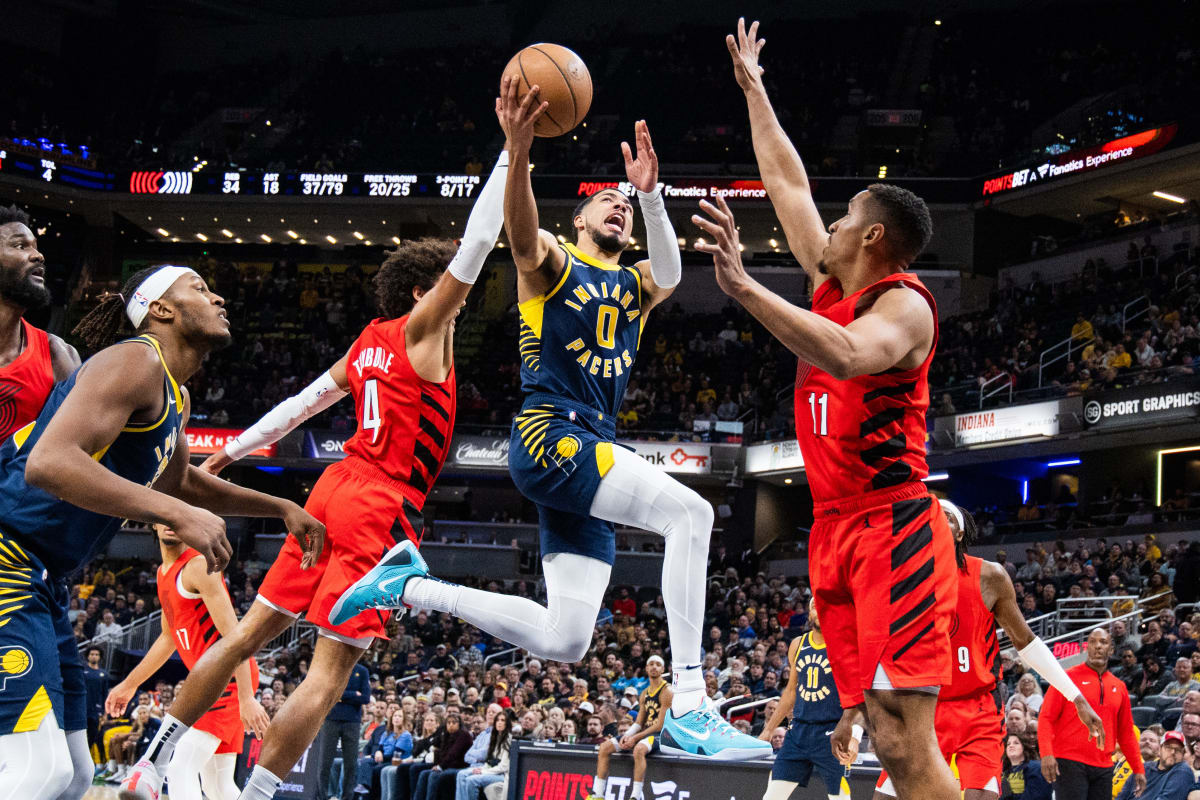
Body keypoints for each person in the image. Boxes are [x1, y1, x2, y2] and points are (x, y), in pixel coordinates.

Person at [333, 76, 767, 761]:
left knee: (567, 639)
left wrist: (651, 195)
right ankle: (689, 700)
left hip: (587, 446)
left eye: (623, 205)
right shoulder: (554, 266)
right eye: (605, 201)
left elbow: (674, 273)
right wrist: (519, 151)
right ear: (578, 221)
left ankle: (410, 585)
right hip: (550, 433)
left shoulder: (635, 288)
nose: (616, 208)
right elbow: (521, 230)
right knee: (693, 516)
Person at [125, 100, 513, 800]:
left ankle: (148, 766)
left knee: (242, 640)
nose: (465, 295)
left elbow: (301, 404)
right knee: (327, 674)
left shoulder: (368, 340)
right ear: (426, 293)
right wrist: (512, 150)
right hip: (380, 503)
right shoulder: (421, 333)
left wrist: (231, 452)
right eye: (451, 289)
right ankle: (258, 796)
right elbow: (479, 246)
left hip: (332, 490)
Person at [702, 17, 957, 800]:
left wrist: (744, 287)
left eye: (846, 218)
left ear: (872, 237)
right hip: (835, 525)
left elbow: (844, 357)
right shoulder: (835, 288)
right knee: (879, 733)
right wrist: (755, 89)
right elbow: (788, 183)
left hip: (892, 523)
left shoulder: (902, 307)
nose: (830, 225)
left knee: (905, 744)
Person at [0, 263, 323, 800]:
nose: (217, 297)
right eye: (199, 287)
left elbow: (180, 485)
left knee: (78, 775)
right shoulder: (134, 359)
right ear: (161, 309)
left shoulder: (176, 396)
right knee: (41, 771)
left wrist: (280, 505)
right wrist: (176, 515)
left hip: (42, 576)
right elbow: (49, 464)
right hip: (8, 554)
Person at [872, 502, 1104, 800]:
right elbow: (880, 649)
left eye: (944, 518)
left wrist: (1076, 697)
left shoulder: (989, 576)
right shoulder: (903, 580)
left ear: (959, 533)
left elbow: (1027, 643)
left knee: (981, 796)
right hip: (922, 707)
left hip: (977, 708)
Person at [103, 523, 269, 800]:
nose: (170, 524)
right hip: (209, 682)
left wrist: (246, 696)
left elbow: (236, 636)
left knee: (180, 767)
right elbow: (168, 640)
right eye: (164, 517)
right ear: (153, 523)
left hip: (227, 679)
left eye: (177, 517)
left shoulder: (197, 565)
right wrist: (128, 684)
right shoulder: (163, 572)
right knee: (217, 785)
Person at [756, 599, 853, 800]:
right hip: (798, 733)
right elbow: (791, 692)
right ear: (809, 613)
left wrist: (852, 732)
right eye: (814, 606)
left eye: (824, 606)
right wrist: (768, 730)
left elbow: (855, 694)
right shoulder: (797, 644)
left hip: (831, 732)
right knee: (771, 797)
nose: (819, 611)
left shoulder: (843, 645)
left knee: (840, 798)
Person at [1038, 628, 1145, 800]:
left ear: (1111, 649)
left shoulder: (1120, 687)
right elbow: (1046, 717)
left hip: (1104, 766)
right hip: (1069, 761)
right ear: (1087, 648)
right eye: (1093, 642)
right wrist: (1046, 754)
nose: (1097, 646)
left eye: (1103, 642)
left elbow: (1126, 733)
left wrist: (1138, 768)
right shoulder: (1066, 677)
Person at [588, 656, 672, 800]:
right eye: (651, 664)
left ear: (663, 669)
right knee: (604, 748)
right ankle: (598, 794)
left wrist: (634, 738)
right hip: (646, 733)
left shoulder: (667, 691)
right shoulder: (645, 693)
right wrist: (627, 735)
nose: (654, 667)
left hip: (663, 734)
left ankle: (636, 796)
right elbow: (639, 721)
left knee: (639, 749)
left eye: (658, 665)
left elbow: (660, 724)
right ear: (646, 668)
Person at [321, 652, 372, 800]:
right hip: (331, 719)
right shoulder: (333, 668)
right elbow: (328, 693)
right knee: (324, 763)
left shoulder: (362, 671)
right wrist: (352, 694)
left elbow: (365, 698)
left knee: (351, 764)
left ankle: (347, 797)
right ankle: (321, 797)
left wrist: (342, 696)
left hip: (352, 722)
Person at [455, 710, 512, 800]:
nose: (499, 723)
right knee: (462, 774)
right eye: (497, 720)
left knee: (471, 780)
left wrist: (483, 772)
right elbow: (489, 761)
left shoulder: (508, 739)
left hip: (502, 775)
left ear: (507, 723)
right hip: (491, 770)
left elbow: (503, 767)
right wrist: (482, 768)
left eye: (502, 720)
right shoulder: (495, 737)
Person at [1119, 731, 1192, 800]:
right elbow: (1122, 795)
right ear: (1159, 749)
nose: (1173, 752)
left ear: (1183, 754)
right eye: (1168, 747)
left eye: (1178, 749)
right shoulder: (1144, 767)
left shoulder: (1183, 771)